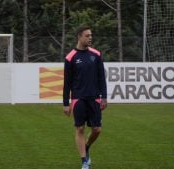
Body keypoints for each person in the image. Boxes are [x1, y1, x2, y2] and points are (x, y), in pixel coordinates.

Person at [63, 26, 107, 169]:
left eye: (91, 35)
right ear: (79, 37)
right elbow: (67, 82)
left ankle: (86, 147)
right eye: (87, 35)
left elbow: (101, 77)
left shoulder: (96, 54)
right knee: (80, 128)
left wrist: (104, 97)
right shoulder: (70, 58)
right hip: (78, 98)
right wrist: (65, 103)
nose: (90, 38)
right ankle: (84, 162)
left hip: (94, 97)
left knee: (97, 129)